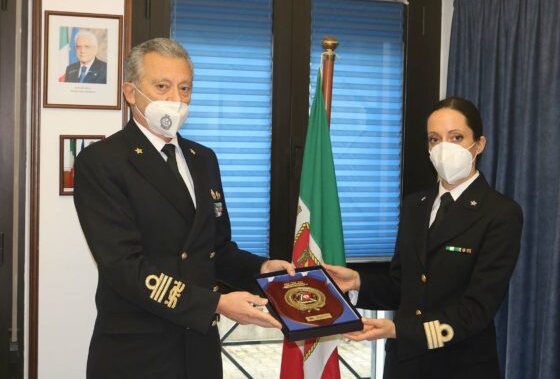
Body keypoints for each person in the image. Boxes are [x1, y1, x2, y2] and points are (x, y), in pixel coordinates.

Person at [73, 37, 294, 379]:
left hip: (199, 348)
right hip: (137, 351)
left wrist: (261, 268)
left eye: (185, 88)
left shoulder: (203, 158)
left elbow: (216, 249)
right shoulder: (102, 162)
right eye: (162, 86)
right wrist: (216, 304)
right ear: (130, 92)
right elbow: (123, 268)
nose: (175, 99)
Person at [324, 97, 523, 379]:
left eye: (456, 137)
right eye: (434, 139)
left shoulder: (500, 213)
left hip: (460, 366)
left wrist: (399, 330)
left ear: (479, 144)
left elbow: (476, 310)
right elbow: (402, 286)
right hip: (404, 364)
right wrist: (358, 282)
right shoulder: (415, 205)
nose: (443, 148)